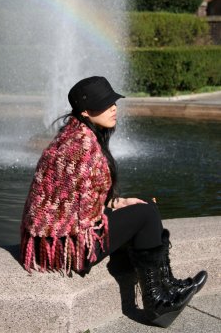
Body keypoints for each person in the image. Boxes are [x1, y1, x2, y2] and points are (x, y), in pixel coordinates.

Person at [20, 76, 207, 328]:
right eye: (105, 104)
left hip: (57, 238)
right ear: (85, 111)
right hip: (66, 248)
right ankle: (158, 304)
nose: (113, 108)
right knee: (145, 214)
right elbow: (84, 215)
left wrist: (117, 202)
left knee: (144, 204)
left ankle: (166, 283)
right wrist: (116, 206)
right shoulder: (82, 145)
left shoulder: (74, 133)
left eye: (113, 102)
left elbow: (79, 199)